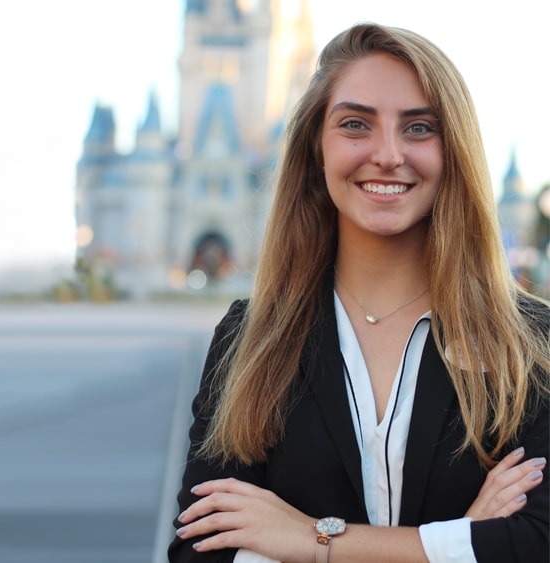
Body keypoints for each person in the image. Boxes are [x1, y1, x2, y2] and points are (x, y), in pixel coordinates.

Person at [168, 23, 550, 563]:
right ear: (314, 151)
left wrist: (310, 540)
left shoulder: (534, 344)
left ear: (455, 152)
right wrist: (461, 540)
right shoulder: (251, 339)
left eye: (419, 128)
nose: (388, 154)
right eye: (355, 124)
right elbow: (201, 552)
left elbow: (538, 544)